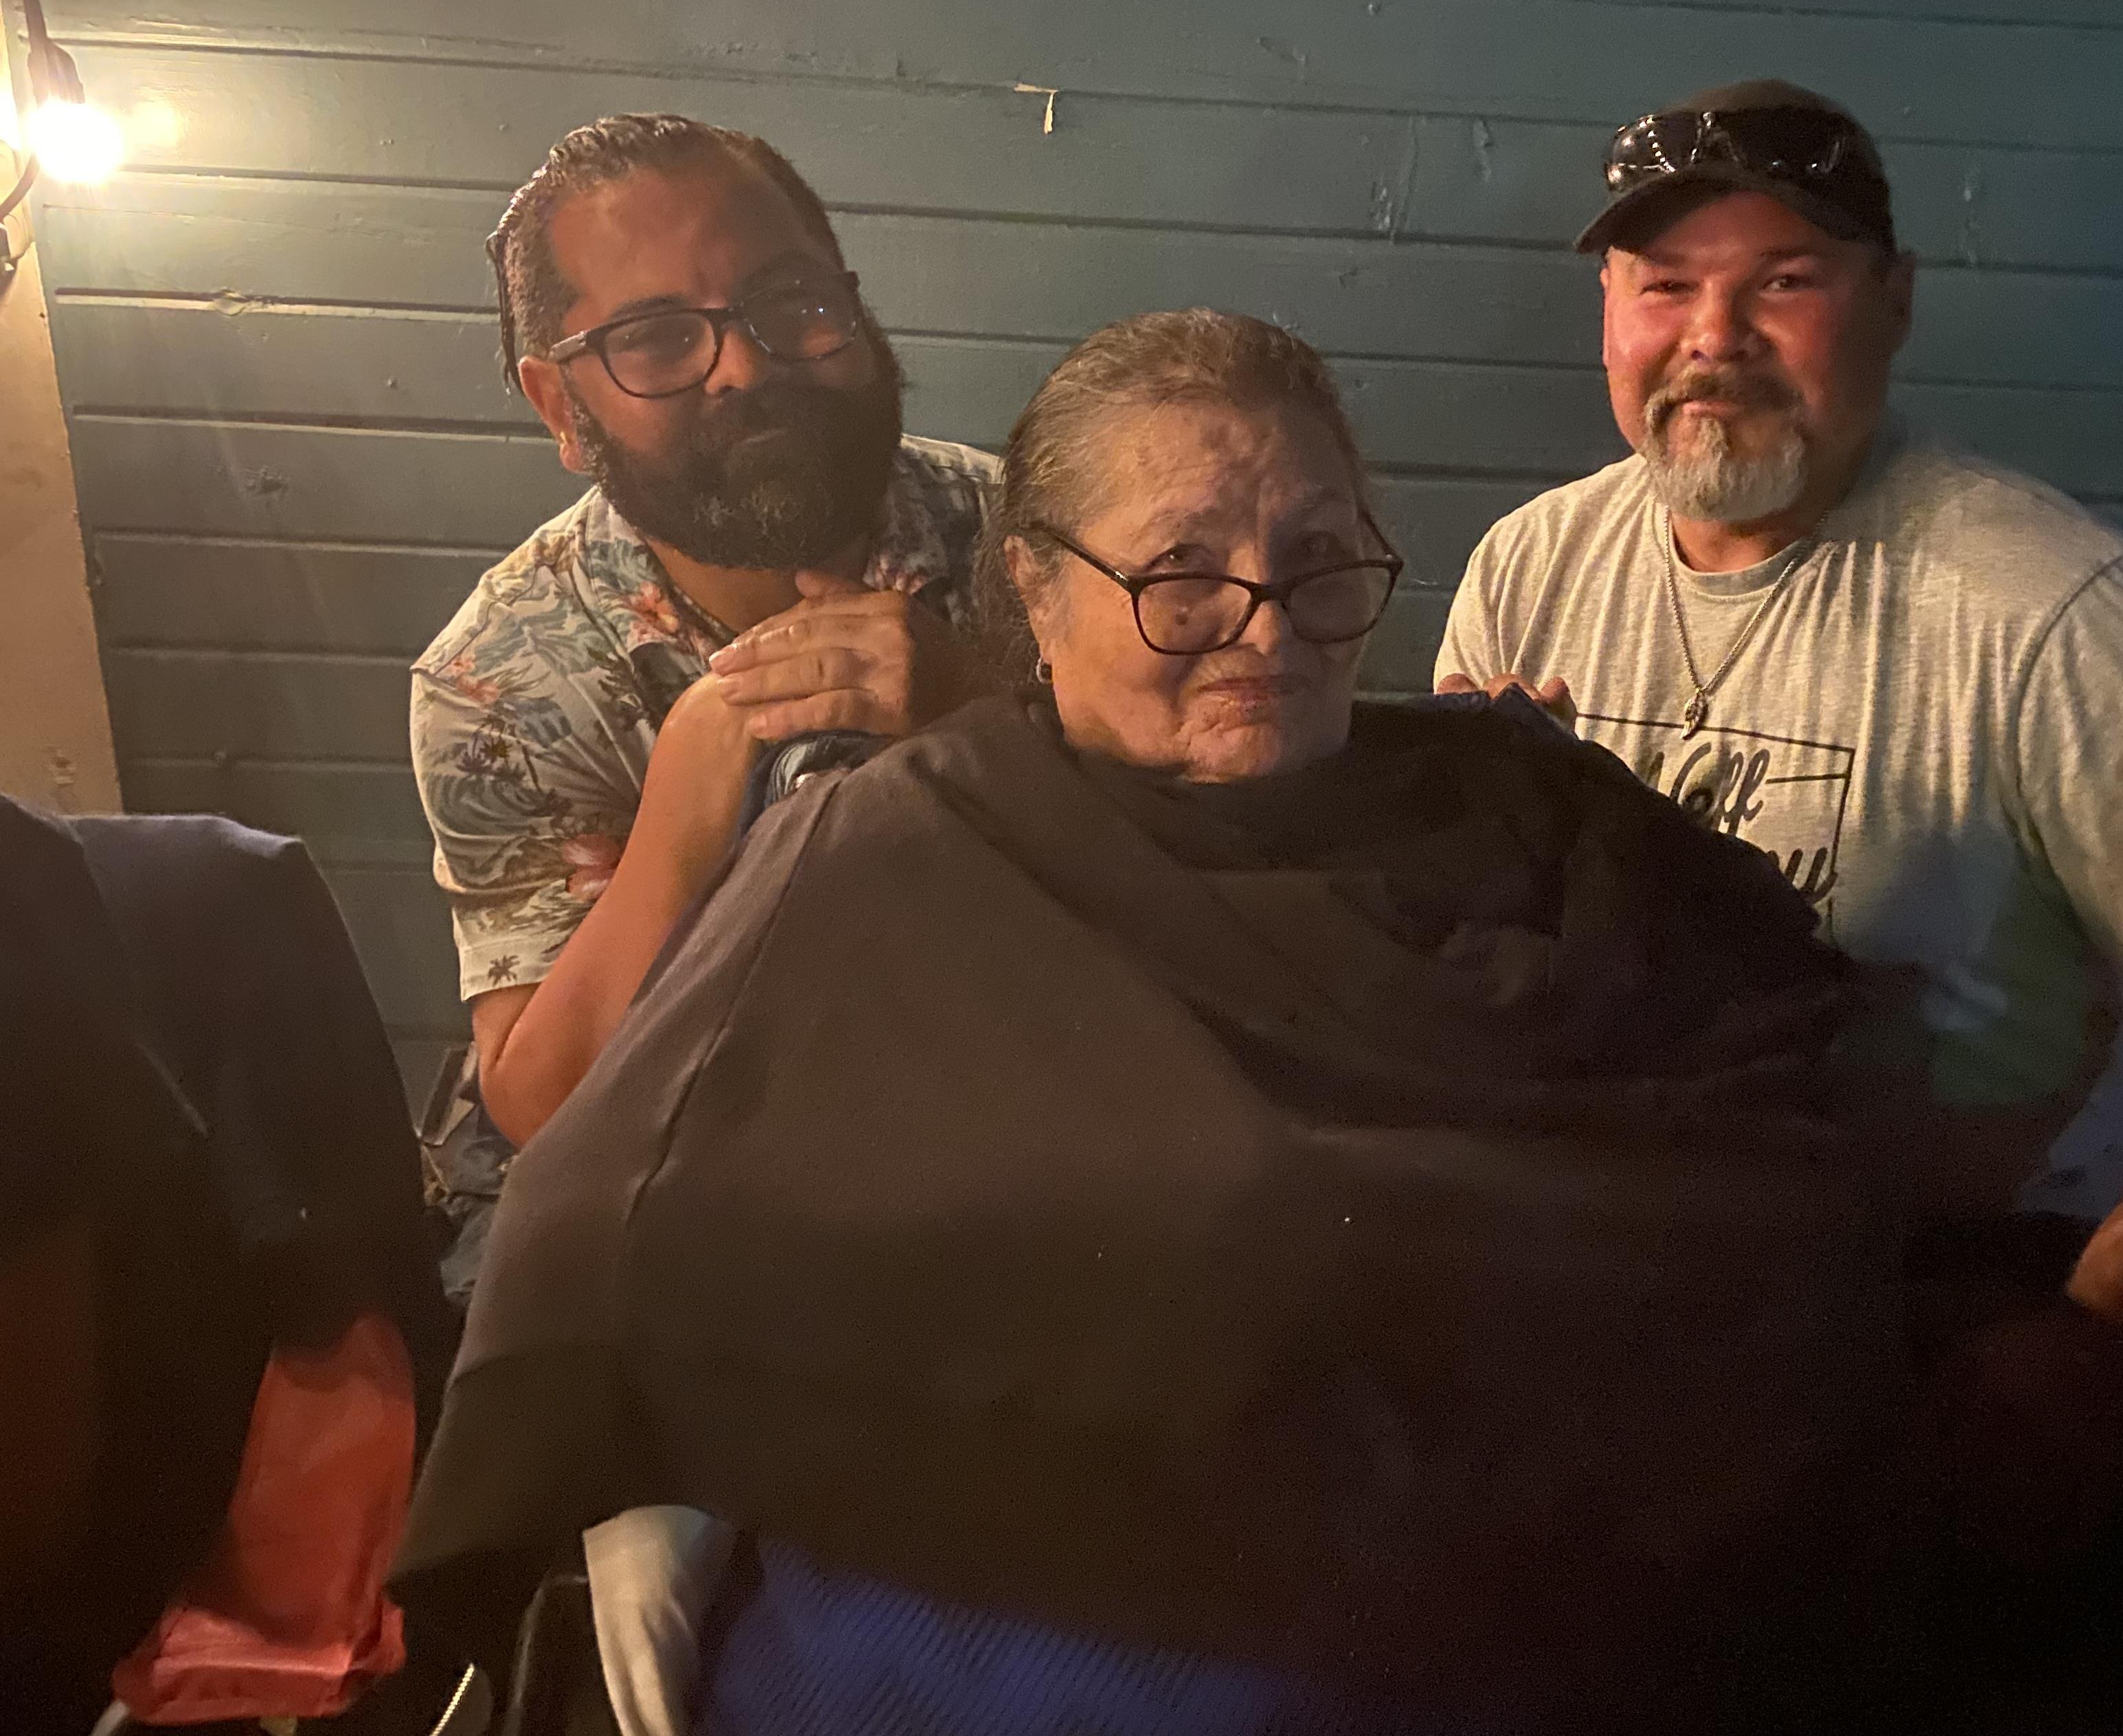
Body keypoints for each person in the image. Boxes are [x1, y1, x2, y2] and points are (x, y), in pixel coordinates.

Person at [394, 310, 1918, 1735]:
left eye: (1319, 561)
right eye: (1181, 574)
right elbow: (610, 1215)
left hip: (1547, 1569)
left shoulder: (1536, 805)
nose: (1265, 627)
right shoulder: (892, 849)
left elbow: (1783, 1128)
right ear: (1038, 592)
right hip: (1055, 1584)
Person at [1435, 80, 2123, 1587]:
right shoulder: (1530, 569)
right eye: (1664, 288)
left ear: (1893, 304)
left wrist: (2091, 1344)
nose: (1714, 338)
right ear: (1607, 314)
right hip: (1635, 1277)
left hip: (1945, 1292)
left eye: (1784, 284)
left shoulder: (2046, 607)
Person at [409, 116, 994, 1281]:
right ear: (560, 407)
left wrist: (988, 725)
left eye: (795, 305)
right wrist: (693, 784)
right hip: (677, 1166)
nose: (748, 365)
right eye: (658, 339)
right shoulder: (501, 677)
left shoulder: (1040, 545)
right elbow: (543, 1101)